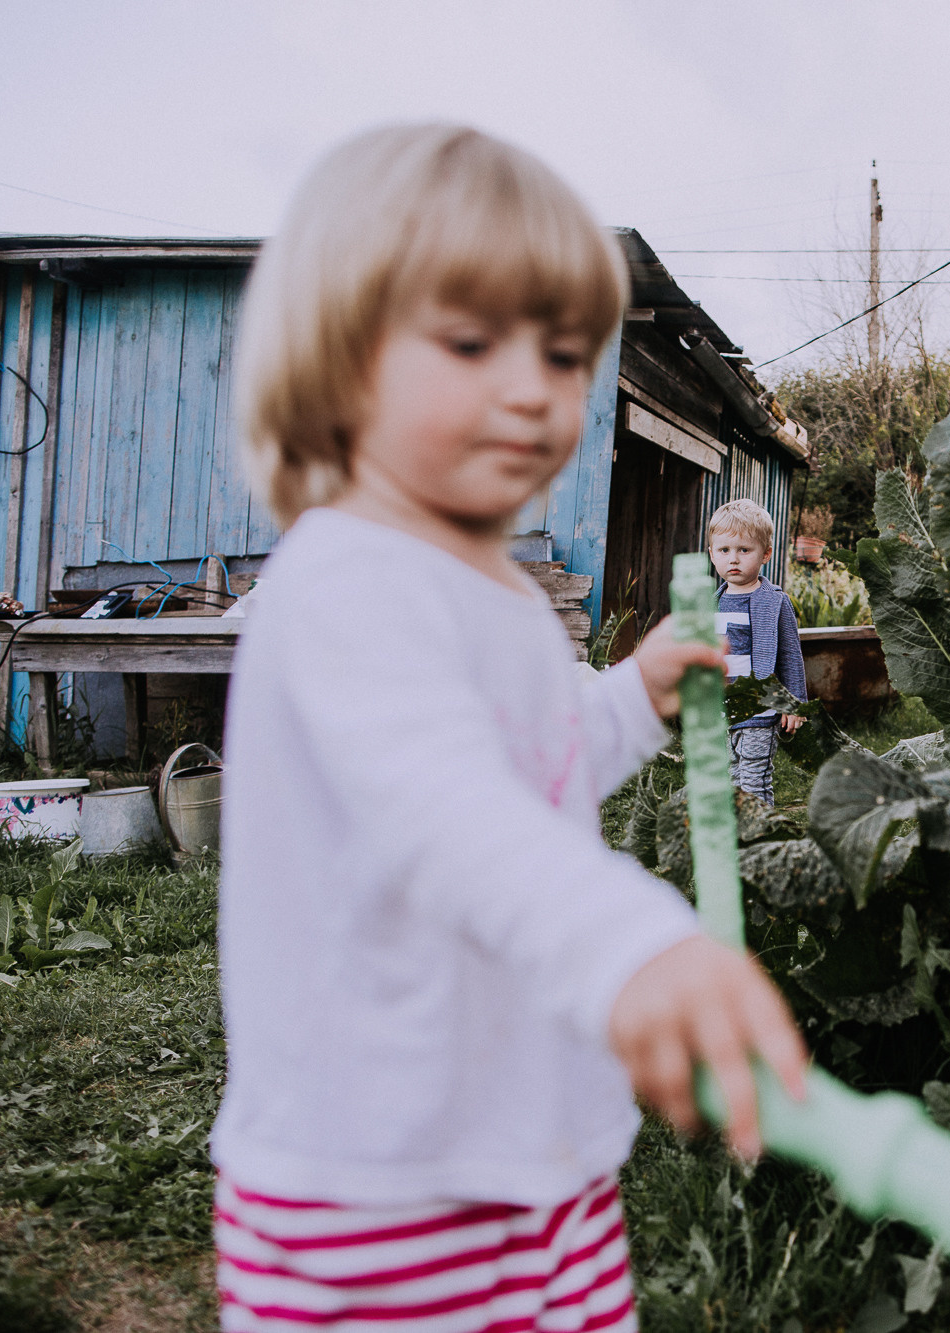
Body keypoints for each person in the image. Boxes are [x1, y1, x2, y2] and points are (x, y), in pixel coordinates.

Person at [212, 123, 807, 1333]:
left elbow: (524, 780)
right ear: (336, 361)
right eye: (474, 341)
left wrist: (627, 700)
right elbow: (447, 812)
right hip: (380, 1187)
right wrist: (632, 942)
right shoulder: (345, 583)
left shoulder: (491, 589)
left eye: (563, 349)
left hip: (536, 1150)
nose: (534, 384)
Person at [707, 499, 807, 809]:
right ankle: (743, 836)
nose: (733, 559)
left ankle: (761, 836)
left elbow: (791, 655)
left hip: (759, 707)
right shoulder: (712, 602)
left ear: (765, 554)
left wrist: (794, 703)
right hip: (723, 709)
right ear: (711, 553)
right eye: (724, 551)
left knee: (754, 778)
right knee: (733, 774)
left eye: (743, 550)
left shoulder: (774, 601)